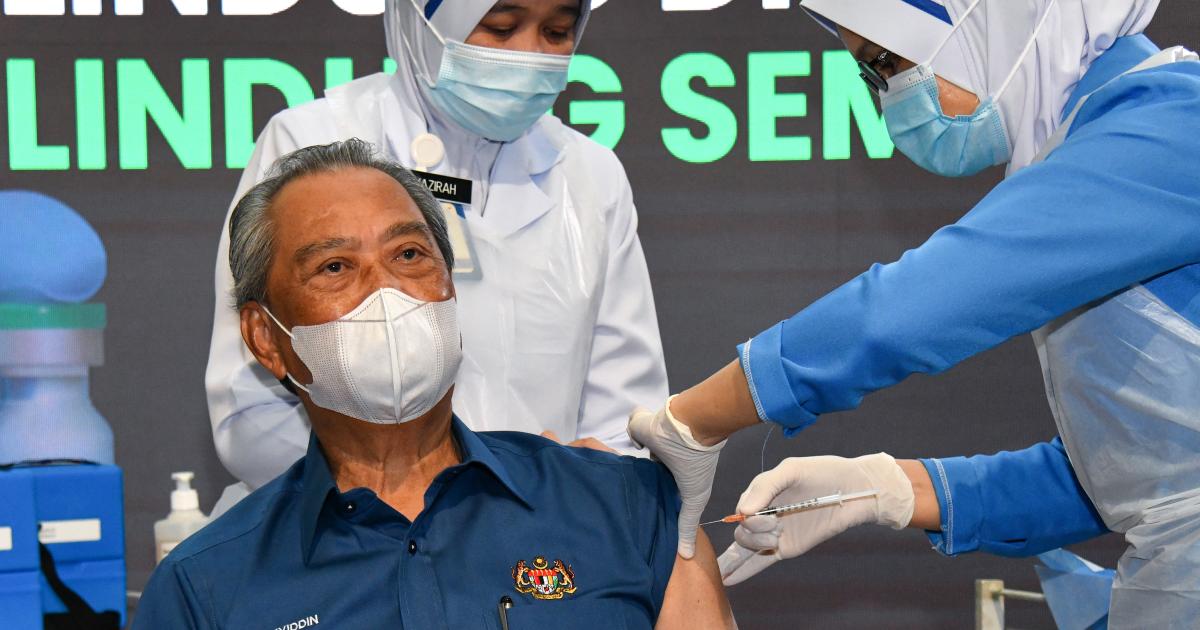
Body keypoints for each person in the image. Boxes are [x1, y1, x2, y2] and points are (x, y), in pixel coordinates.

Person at [628, 0, 1200, 625]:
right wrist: (883, 489)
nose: (890, 100)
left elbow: (905, 313)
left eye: (887, 62)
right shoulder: (1098, 141)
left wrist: (694, 418)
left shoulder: (1170, 125)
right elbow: (1119, 480)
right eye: (870, 76)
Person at [137, 140, 732, 629]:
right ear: (265, 337)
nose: (386, 290)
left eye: (409, 254)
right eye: (335, 267)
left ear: (450, 289)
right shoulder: (204, 588)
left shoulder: (626, 507)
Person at [206, 0, 668, 502]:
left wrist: (572, 490)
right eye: (500, 27)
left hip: (546, 522)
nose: (530, 53)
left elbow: (625, 411)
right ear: (421, 19)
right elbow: (252, 407)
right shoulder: (312, 143)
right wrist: (413, 500)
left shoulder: (590, 174)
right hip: (347, 528)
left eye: (557, 31)